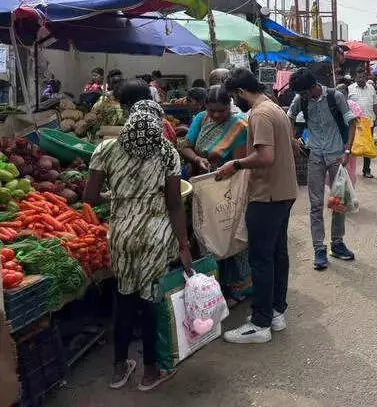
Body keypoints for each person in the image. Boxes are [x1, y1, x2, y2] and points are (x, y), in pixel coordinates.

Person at [84, 100, 191, 391]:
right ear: (158, 123)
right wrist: (183, 245)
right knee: (150, 303)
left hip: (122, 236)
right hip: (156, 236)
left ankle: (119, 369)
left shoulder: (105, 148)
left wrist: (117, 196)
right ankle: (150, 372)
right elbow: (174, 203)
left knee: (124, 299)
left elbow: (90, 197)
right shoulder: (167, 151)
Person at [214, 68, 297, 344]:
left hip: (267, 195)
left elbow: (265, 156)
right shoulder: (274, 108)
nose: (234, 103)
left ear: (240, 92)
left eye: (233, 97)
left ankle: (260, 323)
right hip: (283, 192)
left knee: (261, 259)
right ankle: (276, 311)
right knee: (277, 254)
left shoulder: (260, 114)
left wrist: (235, 164)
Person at [287, 68, 357, 270]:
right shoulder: (300, 99)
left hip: (336, 155)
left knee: (338, 201)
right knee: (316, 205)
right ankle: (319, 248)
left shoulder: (335, 96)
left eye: (303, 92)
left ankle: (337, 243)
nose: (302, 97)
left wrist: (347, 150)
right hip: (315, 156)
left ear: (313, 87)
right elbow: (288, 118)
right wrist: (292, 140)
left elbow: (352, 122)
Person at [118, 79, 178, 146]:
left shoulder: (134, 127)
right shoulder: (164, 122)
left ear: (128, 104)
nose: (122, 109)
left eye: (123, 106)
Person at [348, 70, 377, 178]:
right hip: (355, 123)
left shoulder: (371, 88)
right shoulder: (350, 88)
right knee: (353, 145)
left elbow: (375, 103)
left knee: (368, 146)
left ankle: (366, 170)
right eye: (358, 77)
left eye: (362, 77)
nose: (360, 79)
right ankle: (350, 170)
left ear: (366, 78)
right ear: (355, 78)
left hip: (368, 122)